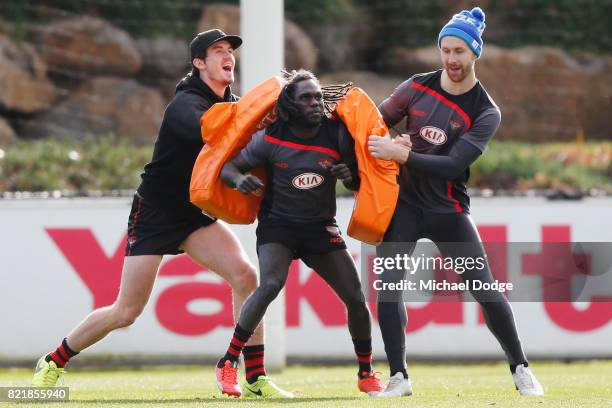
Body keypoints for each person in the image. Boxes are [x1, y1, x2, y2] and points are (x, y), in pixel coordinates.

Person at [32, 29, 288, 396]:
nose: (228, 55)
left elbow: (248, 130)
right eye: (218, 51)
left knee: (246, 277)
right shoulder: (186, 104)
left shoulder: (233, 103)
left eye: (230, 50)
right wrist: (258, 115)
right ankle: (54, 360)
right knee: (126, 311)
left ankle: (254, 378)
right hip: (155, 212)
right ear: (199, 63)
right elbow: (216, 132)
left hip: (195, 215)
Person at [367, 7, 544, 397]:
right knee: (389, 288)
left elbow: (452, 166)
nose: (451, 59)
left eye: (460, 51)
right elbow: (373, 123)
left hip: (448, 212)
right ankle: (399, 377)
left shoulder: (486, 111)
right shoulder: (416, 86)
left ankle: (521, 368)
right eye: (445, 50)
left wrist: (402, 155)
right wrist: (391, 142)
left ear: (475, 54)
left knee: (485, 290)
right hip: (405, 208)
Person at [214, 70, 384, 398]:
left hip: (320, 228)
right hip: (279, 226)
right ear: (289, 105)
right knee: (271, 284)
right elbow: (228, 168)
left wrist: (348, 175)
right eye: (306, 98)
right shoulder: (271, 137)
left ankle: (366, 372)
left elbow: (357, 182)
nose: (316, 103)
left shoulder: (337, 134)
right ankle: (228, 362)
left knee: (356, 297)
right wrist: (239, 181)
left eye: (319, 97)